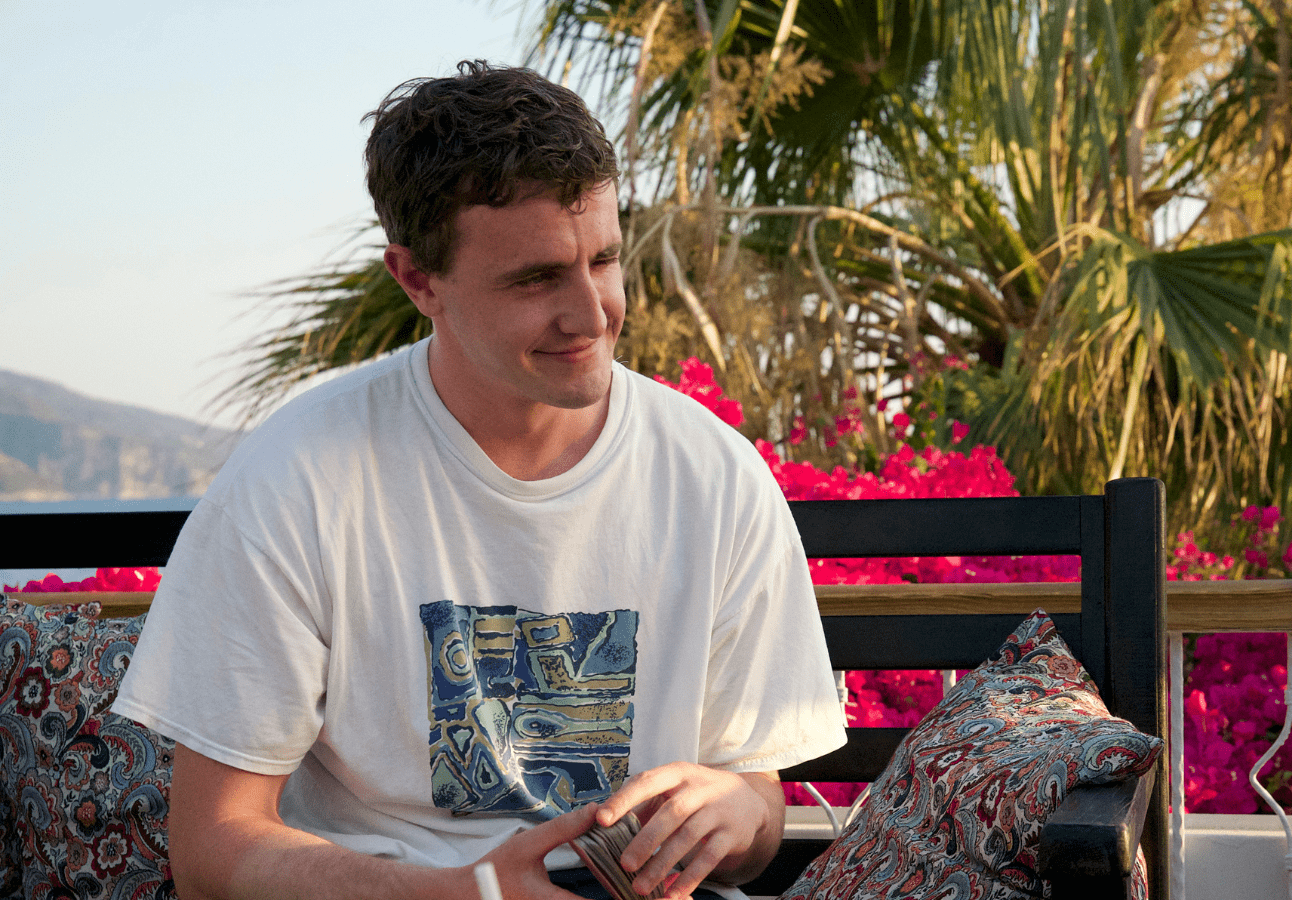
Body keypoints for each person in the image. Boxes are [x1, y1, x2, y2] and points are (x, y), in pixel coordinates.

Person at [111, 60, 847, 900]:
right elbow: (213, 847)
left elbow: (756, 809)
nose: (593, 313)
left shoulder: (715, 476)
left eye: (604, 260)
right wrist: (470, 893)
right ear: (418, 280)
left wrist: (736, 813)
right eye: (536, 279)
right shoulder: (296, 479)